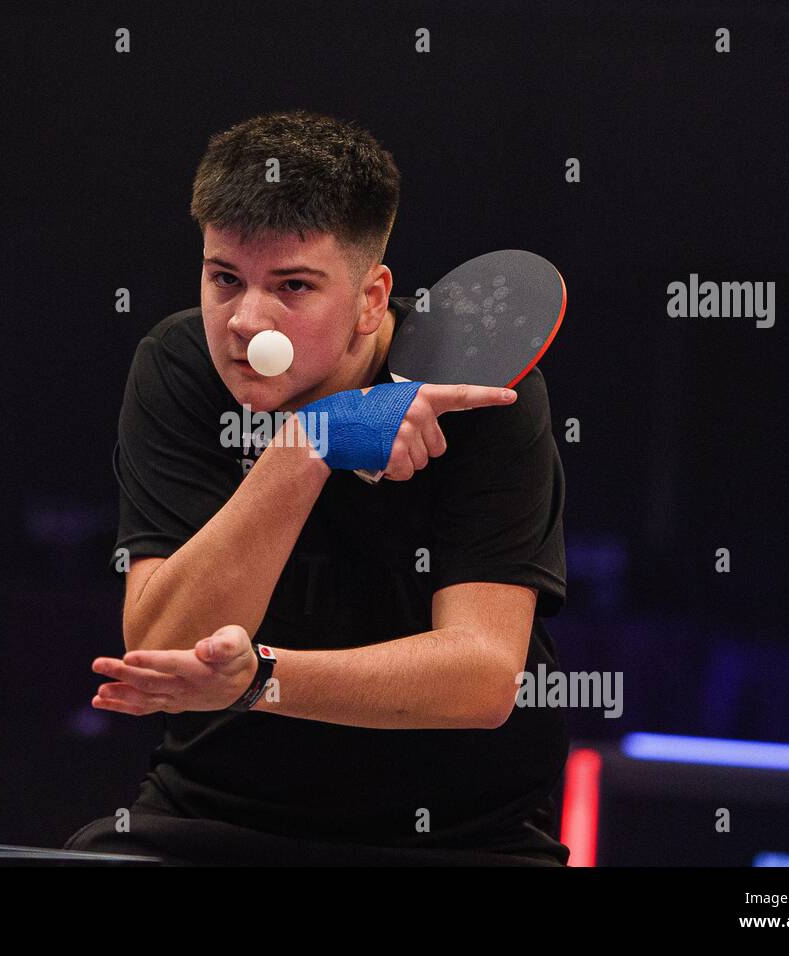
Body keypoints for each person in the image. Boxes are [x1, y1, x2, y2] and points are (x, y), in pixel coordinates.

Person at [64, 110, 570, 865]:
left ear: (372, 298)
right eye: (224, 278)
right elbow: (163, 652)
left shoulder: (482, 390)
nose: (245, 322)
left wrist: (260, 681)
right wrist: (309, 446)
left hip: (460, 838)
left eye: (293, 286)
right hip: (214, 819)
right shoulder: (179, 369)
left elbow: (483, 678)